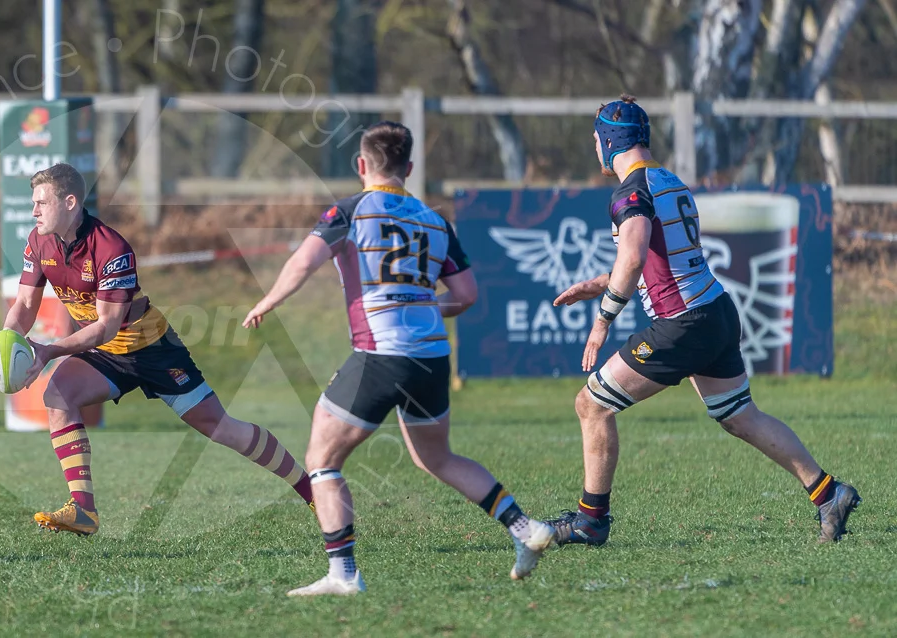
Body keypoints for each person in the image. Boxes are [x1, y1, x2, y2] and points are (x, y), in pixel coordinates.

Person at [243, 121, 554, 596]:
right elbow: (466, 294)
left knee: (321, 461)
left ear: (362, 165)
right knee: (437, 458)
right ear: (408, 168)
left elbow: (303, 261)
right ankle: (524, 527)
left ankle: (343, 574)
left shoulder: (349, 211)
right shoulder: (435, 220)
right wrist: (424, 306)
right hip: (431, 356)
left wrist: (269, 301)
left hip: (379, 354)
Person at [545, 95, 860, 546]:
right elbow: (661, 257)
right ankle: (829, 494)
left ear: (609, 141)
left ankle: (590, 521)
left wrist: (602, 321)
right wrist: (599, 283)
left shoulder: (630, 191)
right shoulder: (668, 180)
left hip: (683, 322)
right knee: (739, 415)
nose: (595, 147)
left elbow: (633, 257)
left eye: (596, 139)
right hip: (715, 311)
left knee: (592, 404)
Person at [0, 163, 315, 537]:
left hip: (152, 348)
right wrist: (6, 340)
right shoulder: (38, 241)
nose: (34, 210)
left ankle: (311, 490)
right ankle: (83, 511)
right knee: (59, 393)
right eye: (33, 203)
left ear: (70, 202)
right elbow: (25, 305)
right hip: (103, 354)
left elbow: (107, 325)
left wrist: (48, 351)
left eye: (42, 202)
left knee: (220, 428)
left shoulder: (112, 248)